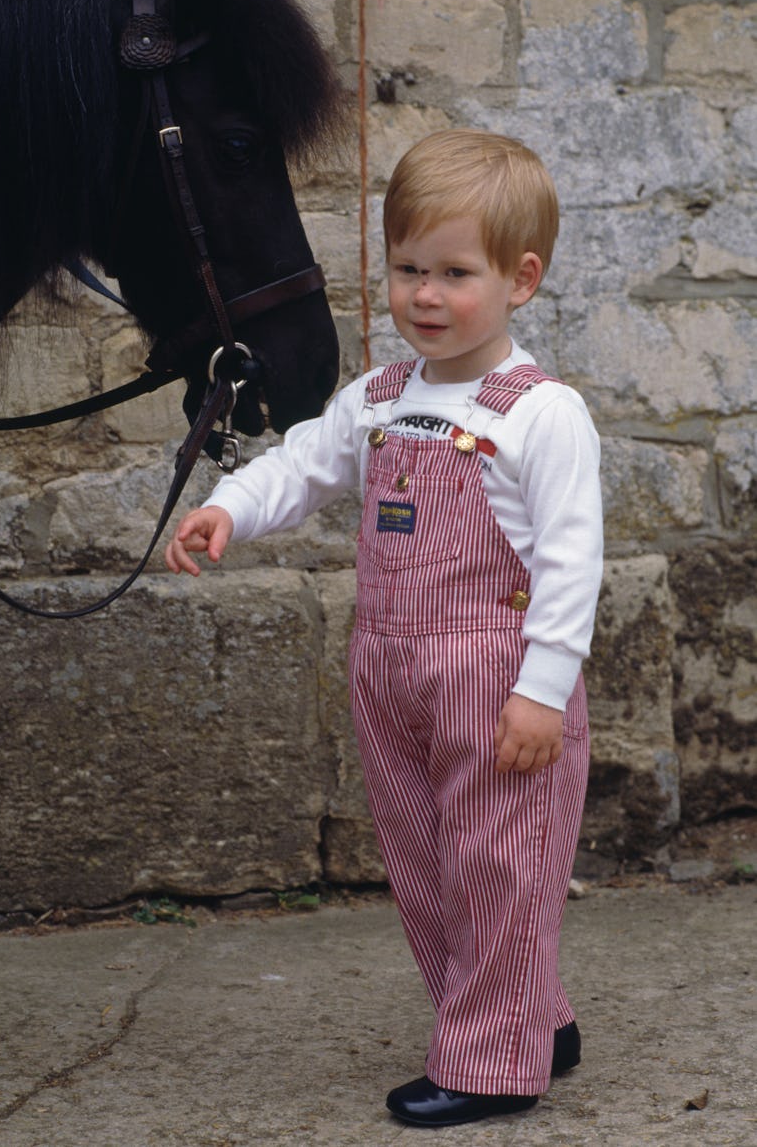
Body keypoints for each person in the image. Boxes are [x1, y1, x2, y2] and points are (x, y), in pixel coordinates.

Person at [165, 129, 603, 1127]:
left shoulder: (541, 415)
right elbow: (307, 462)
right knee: (425, 861)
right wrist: (231, 506)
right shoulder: (379, 398)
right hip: (393, 668)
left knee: (498, 859)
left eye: (456, 273)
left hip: (498, 677)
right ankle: (532, 1015)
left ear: (520, 280)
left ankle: (495, 1066)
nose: (425, 295)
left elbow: (573, 563)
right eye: (408, 269)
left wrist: (544, 690)